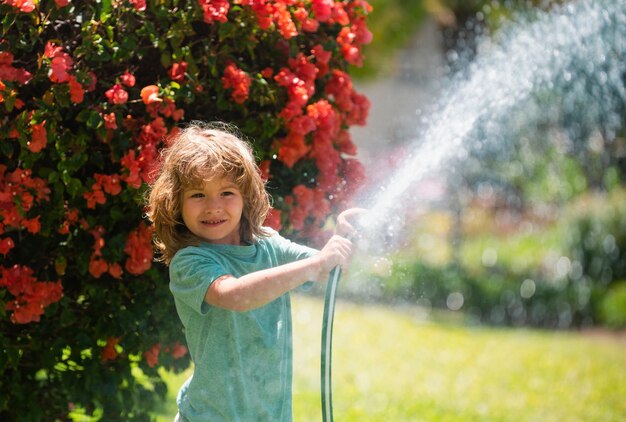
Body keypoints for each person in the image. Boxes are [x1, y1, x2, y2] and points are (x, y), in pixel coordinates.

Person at [146, 122, 362, 421]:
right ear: (176, 203)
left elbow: (328, 269)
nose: (213, 206)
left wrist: (342, 238)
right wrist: (316, 265)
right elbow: (234, 295)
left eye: (226, 192)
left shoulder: (269, 244)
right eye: (198, 195)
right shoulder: (191, 261)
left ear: (247, 196)